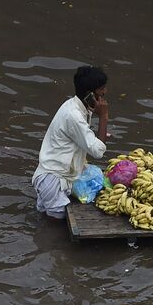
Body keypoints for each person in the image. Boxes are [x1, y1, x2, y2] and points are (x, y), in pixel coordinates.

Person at [32, 66, 109, 219]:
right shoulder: (74, 115)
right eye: (101, 89)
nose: (105, 92)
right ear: (90, 95)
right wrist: (104, 117)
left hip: (54, 177)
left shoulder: (76, 107)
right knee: (58, 227)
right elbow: (98, 152)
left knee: (44, 221)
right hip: (53, 181)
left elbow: (83, 139)